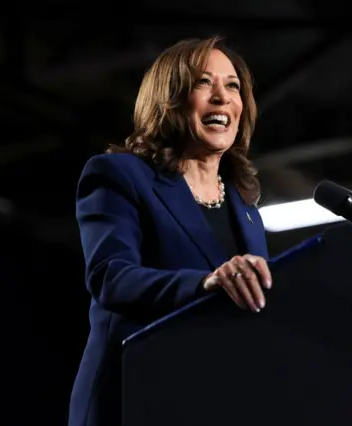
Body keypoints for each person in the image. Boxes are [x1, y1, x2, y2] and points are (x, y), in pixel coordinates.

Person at [68, 36, 273, 426]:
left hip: (209, 402)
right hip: (132, 397)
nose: (222, 97)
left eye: (232, 86)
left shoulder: (247, 213)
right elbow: (111, 276)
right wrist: (204, 284)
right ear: (170, 99)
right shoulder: (119, 175)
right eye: (203, 83)